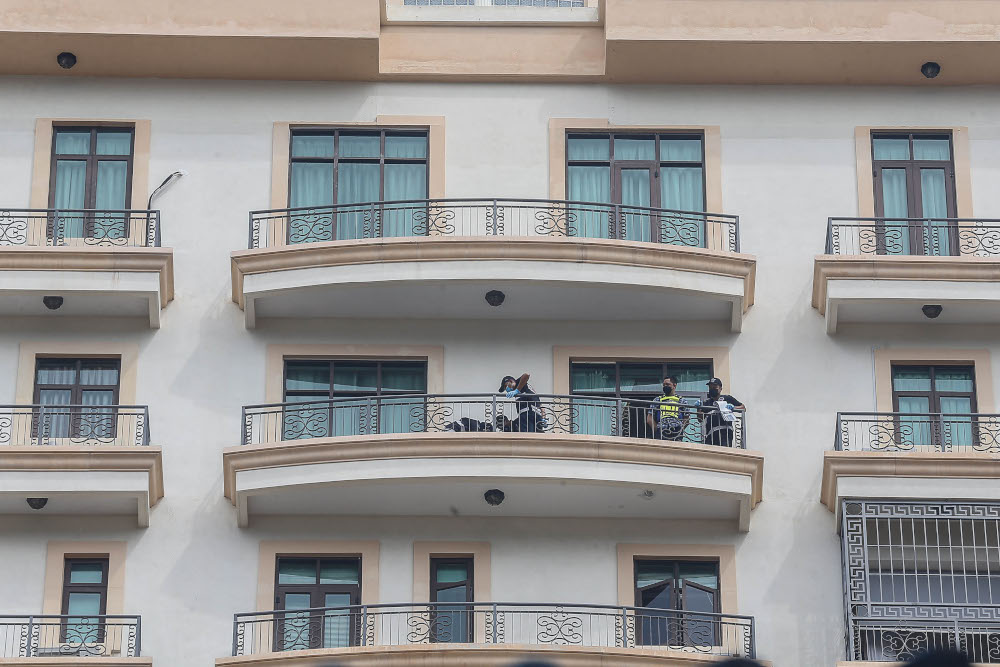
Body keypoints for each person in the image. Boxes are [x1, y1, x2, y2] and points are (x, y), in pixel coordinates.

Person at [698, 377, 745, 447]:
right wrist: (698, 408)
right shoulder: (707, 402)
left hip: (725, 431)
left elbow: (743, 407)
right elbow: (700, 419)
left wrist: (733, 408)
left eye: (715, 387)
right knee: (710, 454)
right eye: (710, 387)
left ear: (720, 388)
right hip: (711, 433)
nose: (712, 389)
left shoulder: (727, 398)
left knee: (724, 452)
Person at [646, 376, 686, 441]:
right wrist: (657, 429)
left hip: (676, 429)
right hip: (662, 429)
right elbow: (649, 418)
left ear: (674, 385)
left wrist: (681, 429)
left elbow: (687, 418)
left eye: (667, 384)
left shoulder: (681, 401)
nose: (665, 386)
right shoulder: (658, 400)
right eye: (664, 385)